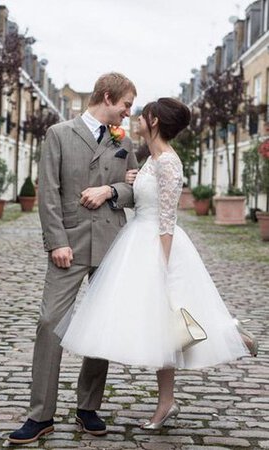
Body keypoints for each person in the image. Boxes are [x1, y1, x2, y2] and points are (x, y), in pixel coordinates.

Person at [59, 97, 258, 430]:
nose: (136, 117)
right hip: (138, 237)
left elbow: (168, 218)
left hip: (157, 244)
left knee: (171, 318)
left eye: (143, 113)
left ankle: (229, 333)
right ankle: (167, 403)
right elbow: (142, 195)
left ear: (153, 121)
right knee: (160, 331)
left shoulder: (167, 161)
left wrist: (161, 266)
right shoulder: (152, 160)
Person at [8, 72, 138, 444]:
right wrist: (56, 242)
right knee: (49, 323)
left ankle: (88, 408)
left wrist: (111, 189)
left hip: (111, 243)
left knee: (102, 326)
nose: (129, 113)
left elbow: (135, 188)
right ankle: (40, 415)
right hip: (69, 244)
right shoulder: (59, 134)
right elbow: (48, 192)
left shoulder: (124, 140)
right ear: (108, 97)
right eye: (126, 104)